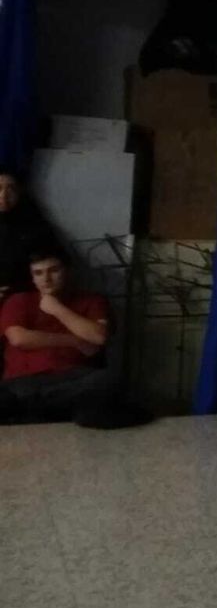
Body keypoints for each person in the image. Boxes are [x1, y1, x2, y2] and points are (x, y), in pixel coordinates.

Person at [0, 246, 113, 423]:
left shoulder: (91, 300)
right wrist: (75, 341)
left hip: (70, 379)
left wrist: (57, 309)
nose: (46, 279)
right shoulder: (19, 300)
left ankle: (34, 413)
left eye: (54, 270)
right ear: (33, 278)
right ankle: (50, 411)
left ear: (67, 271)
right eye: (38, 273)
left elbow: (98, 337)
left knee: (107, 380)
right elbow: (19, 339)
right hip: (21, 382)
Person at [0, 168, 58, 299]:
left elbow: (54, 265)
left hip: (24, 298)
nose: (3, 195)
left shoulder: (35, 227)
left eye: (11, 189)